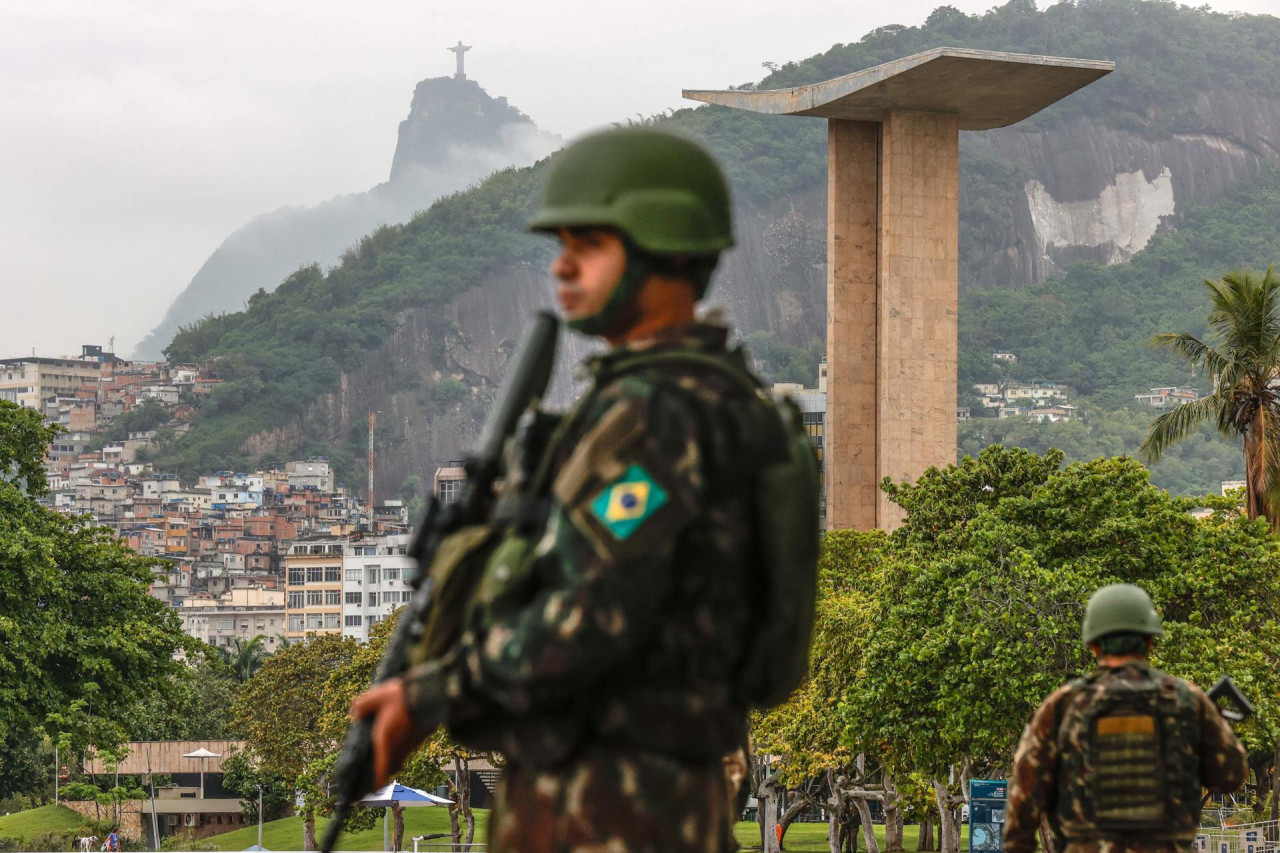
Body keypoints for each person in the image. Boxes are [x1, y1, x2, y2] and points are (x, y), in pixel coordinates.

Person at [351, 127, 816, 852]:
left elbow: (591, 610)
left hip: (618, 804)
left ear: (665, 252)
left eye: (590, 245)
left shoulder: (663, 416)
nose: (563, 266)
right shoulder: (689, 400)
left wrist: (433, 693)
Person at [1004, 583, 1247, 853]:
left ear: (1094, 645)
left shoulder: (1064, 705)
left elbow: (1024, 796)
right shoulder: (1187, 701)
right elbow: (1230, 776)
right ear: (1150, 640)